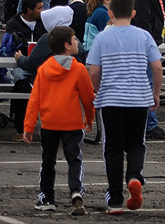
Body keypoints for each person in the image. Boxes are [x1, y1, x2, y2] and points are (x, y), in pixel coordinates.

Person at [87, 0, 162, 214]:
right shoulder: (144, 36)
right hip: (138, 98)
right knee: (137, 143)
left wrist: (99, 90)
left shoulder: (102, 38)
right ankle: (134, 176)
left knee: (113, 147)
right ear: (134, 13)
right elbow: (157, 67)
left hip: (111, 99)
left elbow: (93, 70)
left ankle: (115, 199)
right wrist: (155, 93)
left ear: (109, 13)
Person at [24, 23, 95, 214]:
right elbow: (88, 98)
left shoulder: (43, 69)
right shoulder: (79, 69)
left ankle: (47, 197)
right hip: (72, 122)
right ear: (66, 45)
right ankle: (76, 191)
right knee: (74, 159)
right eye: (74, 40)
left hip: (49, 122)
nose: (77, 43)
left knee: (48, 161)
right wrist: (90, 119)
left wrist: (28, 127)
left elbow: (34, 100)